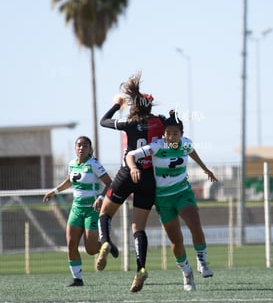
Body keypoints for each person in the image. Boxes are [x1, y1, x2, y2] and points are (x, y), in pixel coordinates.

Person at [126, 110, 218, 292]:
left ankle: (202, 261)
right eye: (168, 133)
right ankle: (187, 273)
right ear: (164, 134)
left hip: (183, 193)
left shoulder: (185, 144)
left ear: (181, 135)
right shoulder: (157, 146)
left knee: (195, 225)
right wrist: (132, 168)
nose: (171, 136)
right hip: (163, 199)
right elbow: (130, 156)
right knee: (176, 241)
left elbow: (192, 152)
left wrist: (206, 169)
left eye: (175, 133)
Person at [96, 71, 165, 293]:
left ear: (134, 106)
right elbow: (174, 130)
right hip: (147, 177)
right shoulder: (159, 122)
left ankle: (105, 241)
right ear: (150, 107)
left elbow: (103, 121)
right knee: (138, 228)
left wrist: (117, 105)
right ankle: (141, 268)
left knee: (105, 213)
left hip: (128, 173)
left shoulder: (127, 122)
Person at [43, 135, 112, 287]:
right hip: (76, 209)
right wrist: (54, 191)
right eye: (79, 145)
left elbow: (109, 183)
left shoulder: (94, 164)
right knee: (71, 244)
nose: (81, 148)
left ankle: (105, 246)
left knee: (91, 249)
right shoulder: (72, 164)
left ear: (90, 149)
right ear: (75, 148)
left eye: (85, 146)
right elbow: (69, 181)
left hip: (91, 210)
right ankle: (77, 279)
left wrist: (100, 197)